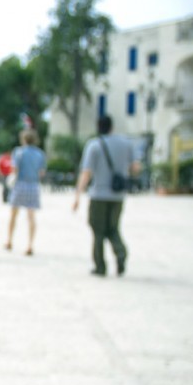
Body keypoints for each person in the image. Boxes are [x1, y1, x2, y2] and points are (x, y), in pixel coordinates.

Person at [73, 115, 140, 276]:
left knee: (98, 230)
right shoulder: (126, 143)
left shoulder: (94, 145)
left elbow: (86, 173)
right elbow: (136, 168)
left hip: (99, 195)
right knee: (113, 228)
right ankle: (121, 252)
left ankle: (100, 266)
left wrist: (77, 195)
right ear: (112, 126)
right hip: (118, 195)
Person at [5, 129, 46, 256]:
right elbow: (42, 173)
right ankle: (30, 245)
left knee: (13, 215)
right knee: (31, 217)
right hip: (33, 185)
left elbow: (14, 169)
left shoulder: (18, 152)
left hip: (20, 184)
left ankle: (9, 240)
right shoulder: (40, 154)